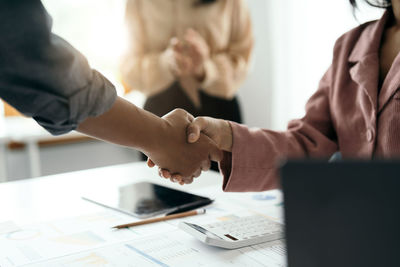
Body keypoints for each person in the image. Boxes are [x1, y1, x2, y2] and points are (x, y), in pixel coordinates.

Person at [150, 0, 400, 188]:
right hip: (359, 234)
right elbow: (306, 145)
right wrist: (224, 137)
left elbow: (240, 63)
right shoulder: (350, 45)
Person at [0, 0, 222, 180]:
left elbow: (242, 61)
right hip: (158, 103)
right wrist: (161, 135)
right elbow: (29, 56)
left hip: (218, 102)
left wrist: (207, 69)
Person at [119, 0, 253, 143]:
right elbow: (128, 65)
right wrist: (165, 63)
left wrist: (206, 68)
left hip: (219, 110)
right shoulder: (137, 3)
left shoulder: (231, 3)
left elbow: (243, 58)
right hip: (157, 112)